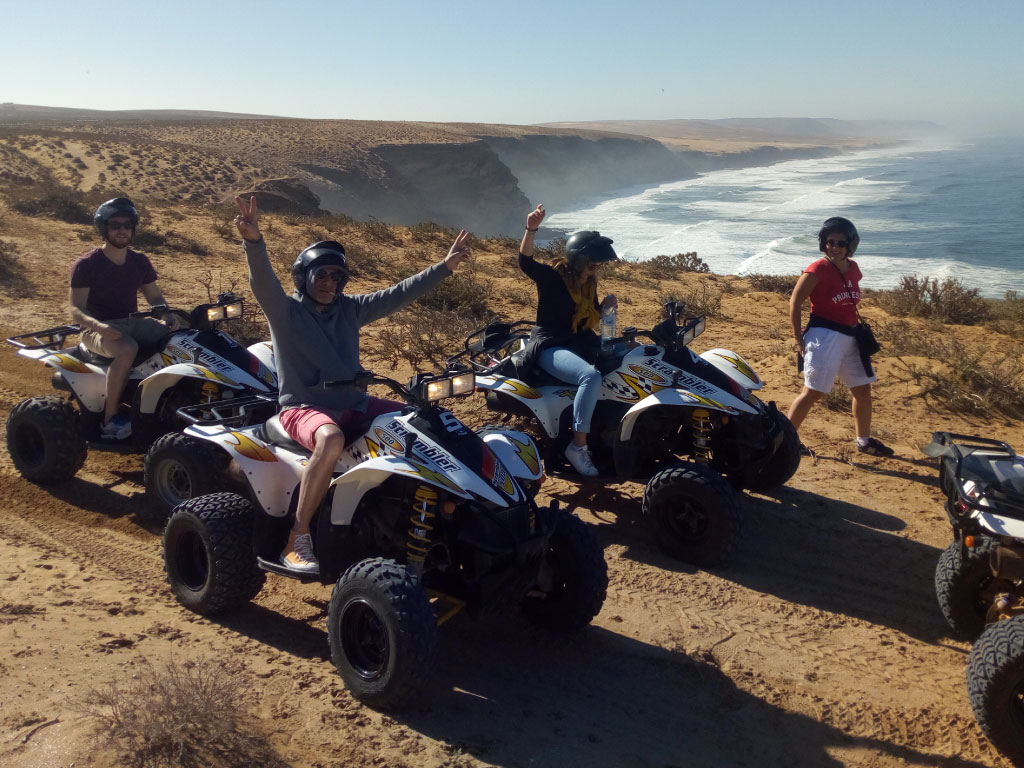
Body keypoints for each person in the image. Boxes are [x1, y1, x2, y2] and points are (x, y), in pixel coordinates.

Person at [233, 195, 471, 574]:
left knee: (423, 422)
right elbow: (263, 283)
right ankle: (298, 536)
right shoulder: (287, 312)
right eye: (321, 276)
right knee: (331, 439)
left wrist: (444, 268)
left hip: (355, 403)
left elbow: (398, 294)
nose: (329, 283)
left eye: (336, 277)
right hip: (303, 407)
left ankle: (439, 511)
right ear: (305, 278)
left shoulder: (350, 309)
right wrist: (254, 241)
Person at [518, 204, 618, 477]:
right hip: (551, 345)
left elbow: (589, 315)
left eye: (598, 266)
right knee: (590, 377)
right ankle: (578, 446)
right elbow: (526, 262)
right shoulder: (552, 277)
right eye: (592, 265)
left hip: (577, 341)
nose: (594, 270)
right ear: (577, 259)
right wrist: (531, 229)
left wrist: (604, 308)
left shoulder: (588, 284)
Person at [70, 197, 180, 440]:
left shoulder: (139, 261)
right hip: (95, 329)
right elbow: (76, 309)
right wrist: (99, 326)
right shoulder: (87, 264)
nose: (122, 230)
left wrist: (167, 314)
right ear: (104, 229)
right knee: (127, 349)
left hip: (131, 322)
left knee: (180, 337)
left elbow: (154, 297)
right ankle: (110, 419)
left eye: (127, 225)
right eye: (115, 225)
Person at [786, 216, 894, 457]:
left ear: (850, 245)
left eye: (840, 243)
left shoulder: (854, 269)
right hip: (824, 337)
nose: (833, 247)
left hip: (851, 337)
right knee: (812, 392)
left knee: (862, 390)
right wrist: (797, 338)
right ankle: (785, 441)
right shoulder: (817, 270)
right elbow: (795, 302)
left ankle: (864, 441)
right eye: (829, 242)